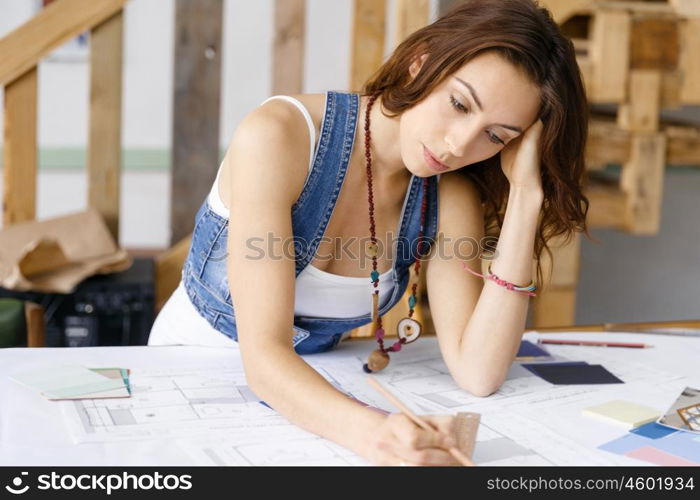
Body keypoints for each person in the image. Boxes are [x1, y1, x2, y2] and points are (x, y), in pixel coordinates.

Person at [148, 0, 589, 466]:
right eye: (459, 104)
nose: (460, 145)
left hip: (312, 397)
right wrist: (378, 434)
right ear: (422, 62)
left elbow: (478, 372)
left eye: (496, 136)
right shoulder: (281, 134)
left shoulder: (448, 194)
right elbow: (264, 356)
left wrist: (525, 194)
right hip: (188, 377)